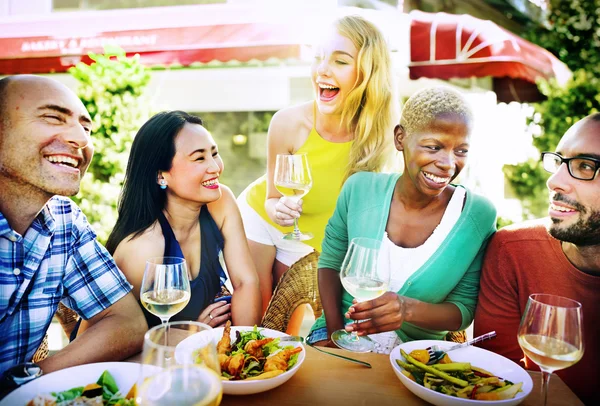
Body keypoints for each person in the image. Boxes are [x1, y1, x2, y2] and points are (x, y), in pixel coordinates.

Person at [237, 15, 397, 330]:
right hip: (266, 221)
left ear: (367, 73)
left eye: (340, 61)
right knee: (261, 318)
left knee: (297, 328)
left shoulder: (383, 136)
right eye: (319, 58)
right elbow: (271, 197)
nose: (322, 69)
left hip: (319, 239)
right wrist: (277, 208)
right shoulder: (288, 123)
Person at [308, 86, 497, 353]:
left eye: (461, 151)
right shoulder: (359, 189)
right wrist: (337, 333)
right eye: (434, 147)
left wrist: (407, 310)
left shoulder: (477, 216)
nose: (448, 163)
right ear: (401, 138)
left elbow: (463, 310)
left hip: (415, 351)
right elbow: (330, 263)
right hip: (337, 330)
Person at [0, 75, 146, 378]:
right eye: (53, 118)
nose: (82, 139)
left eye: (86, 128)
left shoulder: (64, 219)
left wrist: (28, 382)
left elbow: (127, 323)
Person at [474, 114, 600, 405]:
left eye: (585, 166)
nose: (554, 181)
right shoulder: (513, 250)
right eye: (559, 161)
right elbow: (497, 382)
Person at [101, 111, 261, 329]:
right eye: (199, 158)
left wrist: (241, 348)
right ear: (161, 176)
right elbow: (112, 335)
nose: (215, 167)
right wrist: (191, 334)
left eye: (214, 154)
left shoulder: (221, 203)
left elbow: (245, 282)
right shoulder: (143, 248)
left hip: (200, 350)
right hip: (147, 357)